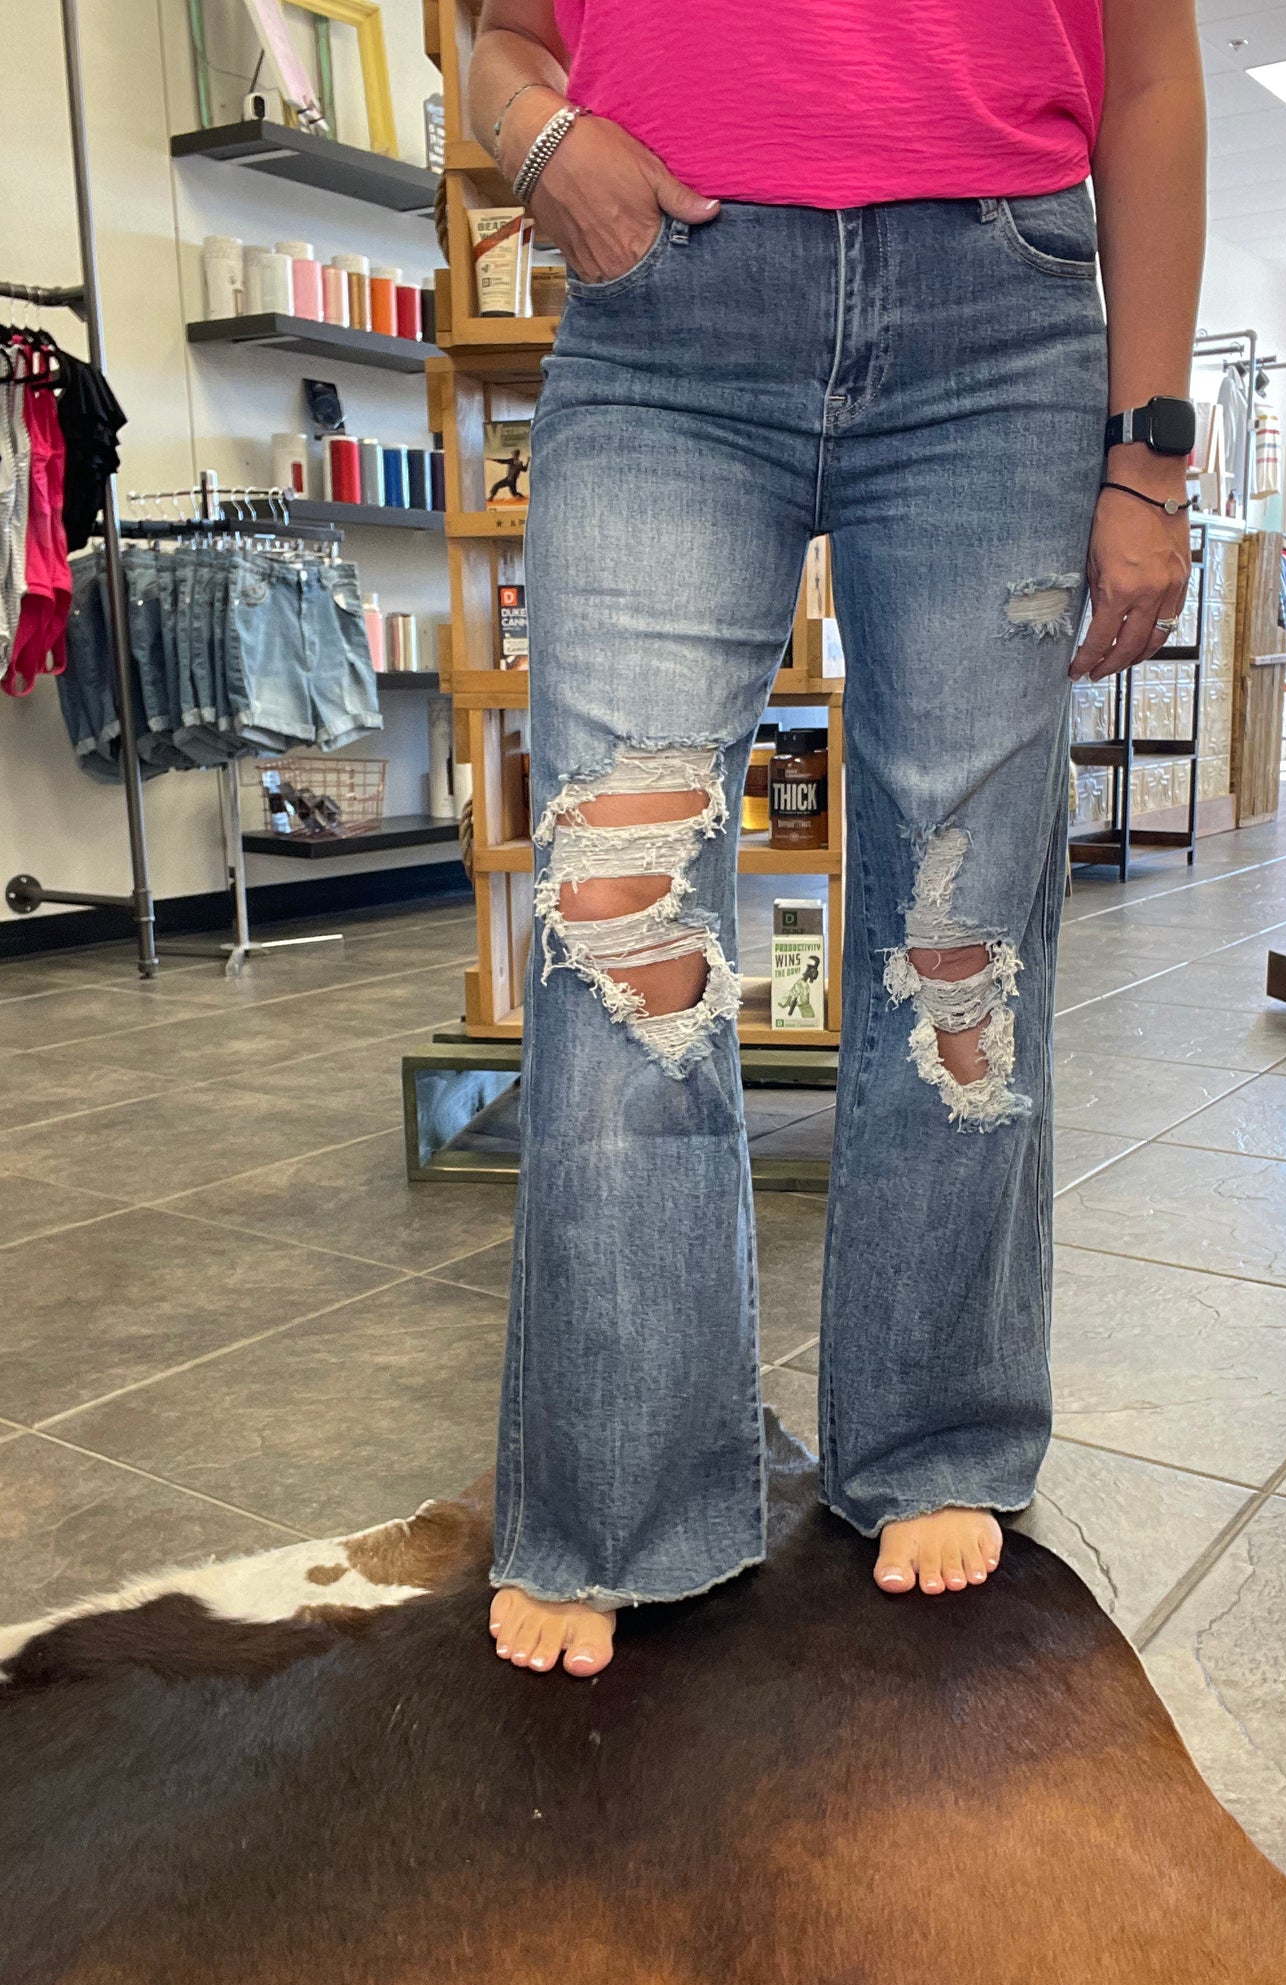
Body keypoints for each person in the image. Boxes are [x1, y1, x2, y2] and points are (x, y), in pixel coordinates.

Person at [472, 0, 1205, 1676]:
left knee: (963, 930)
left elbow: (1154, 74)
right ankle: (622, 1485)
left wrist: (1151, 453)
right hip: (664, 299)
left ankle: (932, 1426)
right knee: (618, 909)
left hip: (999, 316)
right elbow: (500, 35)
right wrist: (539, 141)